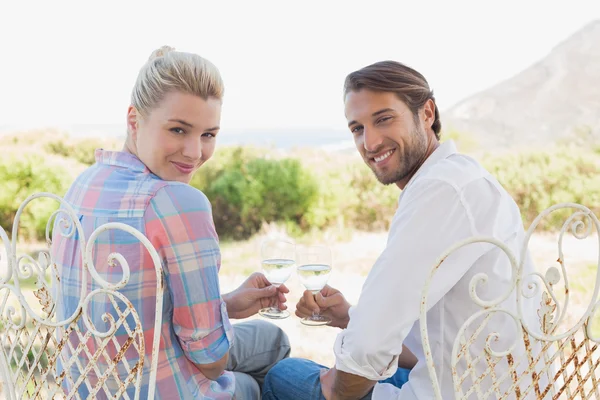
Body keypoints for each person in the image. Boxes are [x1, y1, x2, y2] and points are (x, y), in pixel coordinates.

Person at [263, 61, 540, 399]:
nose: (370, 141)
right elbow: (432, 346)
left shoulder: (441, 191)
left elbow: (370, 345)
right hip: (489, 383)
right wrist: (350, 316)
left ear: (426, 113)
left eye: (383, 119)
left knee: (283, 373)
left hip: (459, 392)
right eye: (357, 128)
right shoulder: (464, 176)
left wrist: (334, 392)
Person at [51, 46, 290, 400]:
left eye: (208, 134)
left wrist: (224, 304)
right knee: (268, 363)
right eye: (179, 130)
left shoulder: (83, 184)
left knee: (269, 339)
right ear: (134, 120)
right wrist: (216, 320)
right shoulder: (177, 202)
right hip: (160, 390)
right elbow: (211, 360)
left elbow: (128, 306)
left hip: (90, 387)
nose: (195, 152)